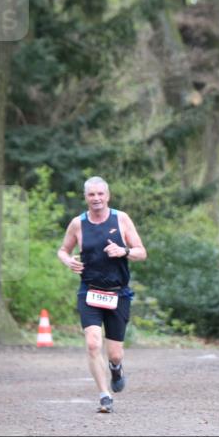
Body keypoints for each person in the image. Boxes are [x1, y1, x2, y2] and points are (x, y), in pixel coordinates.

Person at [58, 177, 147, 413]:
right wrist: (68, 260)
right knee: (92, 343)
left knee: (115, 353)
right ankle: (104, 394)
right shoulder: (78, 223)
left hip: (117, 293)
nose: (96, 199)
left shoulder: (121, 219)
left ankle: (116, 368)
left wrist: (123, 251)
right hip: (89, 291)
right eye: (91, 195)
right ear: (85, 197)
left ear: (107, 196)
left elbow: (141, 252)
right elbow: (63, 250)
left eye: (100, 194)